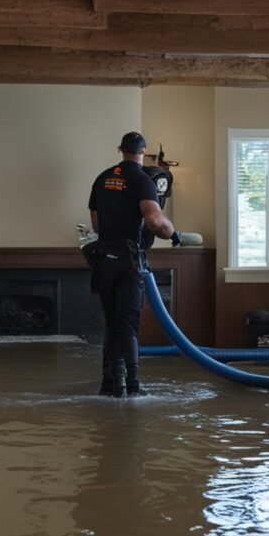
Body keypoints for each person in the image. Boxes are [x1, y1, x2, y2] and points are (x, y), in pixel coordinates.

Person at [88, 131, 182, 397]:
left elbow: (96, 224)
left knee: (112, 323)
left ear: (121, 149)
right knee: (128, 324)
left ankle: (109, 383)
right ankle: (131, 385)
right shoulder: (143, 181)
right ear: (143, 151)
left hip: (104, 261)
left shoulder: (102, 178)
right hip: (129, 262)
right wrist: (173, 233)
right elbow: (155, 222)